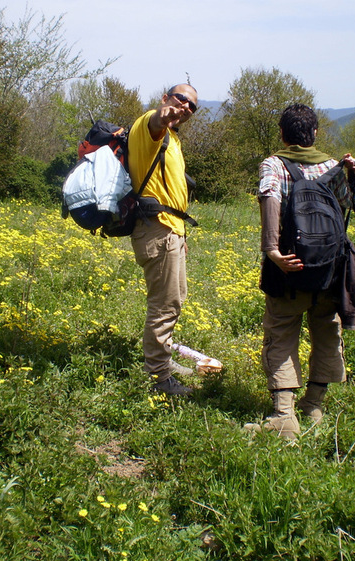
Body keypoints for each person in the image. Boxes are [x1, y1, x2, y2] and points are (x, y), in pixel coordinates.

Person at [247, 103, 355, 439]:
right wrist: (353, 175)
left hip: (289, 266)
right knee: (326, 329)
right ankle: (314, 405)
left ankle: (284, 416)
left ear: (283, 134)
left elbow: (270, 196)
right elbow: (348, 205)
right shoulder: (331, 165)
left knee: (282, 332)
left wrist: (272, 250)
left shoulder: (274, 164)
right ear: (314, 134)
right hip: (328, 269)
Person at [128, 84, 199, 396]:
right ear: (166, 98)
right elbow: (155, 123)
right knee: (164, 305)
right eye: (181, 99)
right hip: (157, 229)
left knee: (175, 298)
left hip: (171, 230)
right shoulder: (149, 126)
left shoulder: (173, 139)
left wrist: (180, 234)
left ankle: (163, 361)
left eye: (192, 106)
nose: (186, 107)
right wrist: (161, 116)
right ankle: (159, 378)